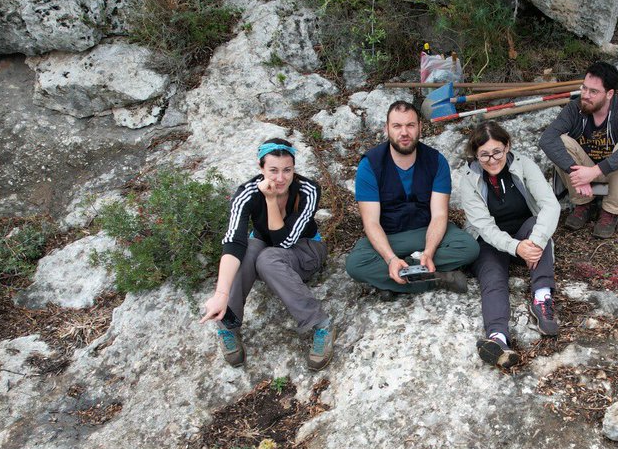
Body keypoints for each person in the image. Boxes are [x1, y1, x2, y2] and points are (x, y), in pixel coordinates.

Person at [200, 139, 335, 370]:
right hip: (267, 251)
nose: (280, 178)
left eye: (287, 170)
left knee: (267, 258)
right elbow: (234, 240)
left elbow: (285, 241)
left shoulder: (308, 190)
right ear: (261, 168)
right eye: (273, 170)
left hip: (305, 249)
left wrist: (271, 201)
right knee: (250, 248)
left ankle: (321, 324)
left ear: (294, 168)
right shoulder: (246, 193)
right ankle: (228, 324)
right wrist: (221, 294)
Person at [346, 100, 479, 295]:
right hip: (390, 236)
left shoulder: (436, 161)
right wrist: (391, 258)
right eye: (397, 126)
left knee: (469, 248)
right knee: (355, 264)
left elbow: (440, 215)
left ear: (420, 127)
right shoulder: (370, 165)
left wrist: (429, 252)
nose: (404, 132)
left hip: (426, 232)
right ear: (387, 129)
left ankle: (392, 281)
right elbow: (371, 222)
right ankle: (436, 279)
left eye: (410, 125)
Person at [460, 121, 561, 369]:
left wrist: (533, 242)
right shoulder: (468, 180)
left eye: (497, 152)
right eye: (484, 155)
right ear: (476, 154)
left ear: (507, 146)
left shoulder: (524, 166)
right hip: (490, 241)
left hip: (525, 232)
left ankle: (542, 297)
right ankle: (498, 338)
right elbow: (484, 226)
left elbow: (550, 205)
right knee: (493, 278)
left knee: (540, 227)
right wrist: (516, 248)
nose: (492, 160)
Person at [538, 61, 618, 239]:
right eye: (584, 88)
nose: (586, 95)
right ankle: (584, 203)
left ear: (609, 94)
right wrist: (580, 176)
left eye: (593, 92)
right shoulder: (575, 108)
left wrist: (595, 171)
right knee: (562, 141)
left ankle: (610, 211)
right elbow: (546, 139)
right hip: (589, 186)